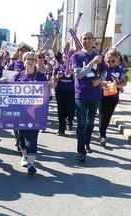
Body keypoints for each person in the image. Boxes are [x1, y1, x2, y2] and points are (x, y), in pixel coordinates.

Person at [71, 31, 107, 162]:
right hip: (81, 93)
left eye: (89, 38)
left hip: (95, 94)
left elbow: (104, 72)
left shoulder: (99, 56)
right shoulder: (76, 56)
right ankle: (81, 151)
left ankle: (87, 142)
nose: (86, 40)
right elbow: (79, 74)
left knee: (90, 122)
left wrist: (100, 80)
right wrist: (92, 63)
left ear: (93, 40)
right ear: (81, 40)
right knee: (81, 123)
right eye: (84, 38)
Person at [10, 51, 48, 175]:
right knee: (21, 137)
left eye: (32, 59)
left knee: (31, 137)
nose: (30, 61)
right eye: (27, 59)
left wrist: (48, 87)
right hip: (19, 112)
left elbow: (47, 95)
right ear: (24, 61)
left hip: (35, 113)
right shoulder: (17, 76)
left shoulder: (41, 76)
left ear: (36, 62)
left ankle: (31, 164)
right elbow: (9, 91)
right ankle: (25, 156)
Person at [99, 48, 127, 146]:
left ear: (117, 59)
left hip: (114, 96)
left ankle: (103, 133)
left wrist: (117, 85)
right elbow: (98, 80)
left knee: (108, 116)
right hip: (102, 95)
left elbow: (124, 82)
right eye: (108, 60)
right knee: (102, 116)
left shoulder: (120, 69)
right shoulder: (103, 68)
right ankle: (102, 136)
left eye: (113, 61)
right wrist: (104, 83)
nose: (110, 62)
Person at [53, 54, 75, 136]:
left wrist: (72, 73)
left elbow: (78, 80)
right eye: (65, 57)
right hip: (60, 90)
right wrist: (58, 76)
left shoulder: (74, 67)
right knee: (61, 110)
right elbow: (54, 78)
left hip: (71, 91)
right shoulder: (58, 67)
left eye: (68, 57)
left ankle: (70, 119)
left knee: (71, 109)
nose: (66, 59)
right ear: (62, 58)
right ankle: (61, 129)